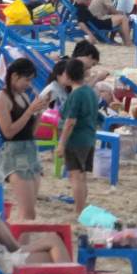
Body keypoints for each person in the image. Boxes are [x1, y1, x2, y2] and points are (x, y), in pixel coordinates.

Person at [0, 58, 50, 220]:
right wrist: (29, 111)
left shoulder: (24, 96)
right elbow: (8, 132)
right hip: (14, 154)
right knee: (28, 212)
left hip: (31, 151)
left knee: (30, 209)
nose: (29, 84)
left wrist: (39, 112)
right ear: (14, 76)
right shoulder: (1, 98)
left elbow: (30, 132)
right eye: (27, 79)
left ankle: (19, 236)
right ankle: (17, 237)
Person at [56, 58, 97, 216]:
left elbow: (70, 122)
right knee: (82, 176)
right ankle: (82, 208)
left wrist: (61, 143)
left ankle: (79, 210)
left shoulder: (76, 94)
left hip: (76, 140)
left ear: (67, 75)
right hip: (89, 138)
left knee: (75, 176)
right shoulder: (89, 92)